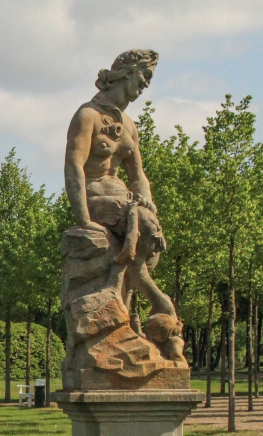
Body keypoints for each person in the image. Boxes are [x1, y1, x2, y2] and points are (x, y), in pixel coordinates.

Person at [63, 49, 174, 319]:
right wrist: (84, 219)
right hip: (95, 196)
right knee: (145, 227)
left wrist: (147, 199)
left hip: (124, 199)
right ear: (127, 74)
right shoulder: (87, 115)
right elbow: (74, 166)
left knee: (153, 245)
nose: (146, 83)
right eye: (145, 75)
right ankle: (159, 303)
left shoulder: (129, 126)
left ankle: (122, 309)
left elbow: (138, 176)